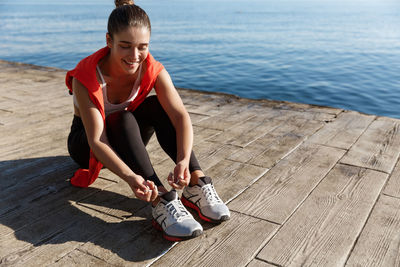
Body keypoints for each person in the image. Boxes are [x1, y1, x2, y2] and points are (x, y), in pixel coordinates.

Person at [65, 0, 230, 241]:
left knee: (156, 105)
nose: (135, 56)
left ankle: (196, 183)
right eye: (125, 46)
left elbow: (180, 116)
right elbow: (97, 140)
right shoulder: (86, 76)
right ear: (109, 41)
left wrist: (183, 161)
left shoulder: (151, 68)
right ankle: (160, 198)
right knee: (120, 118)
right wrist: (133, 179)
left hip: (126, 138)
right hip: (87, 146)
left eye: (142, 47)